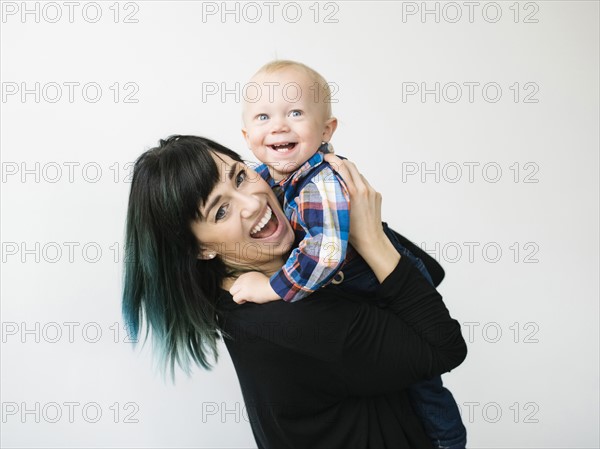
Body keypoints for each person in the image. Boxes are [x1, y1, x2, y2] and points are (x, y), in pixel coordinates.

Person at [122, 135, 467, 448]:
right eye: (221, 210)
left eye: (240, 177)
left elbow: (428, 271)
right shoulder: (296, 322)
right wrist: (370, 237)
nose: (252, 204)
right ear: (199, 250)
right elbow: (445, 346)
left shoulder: (243, 293)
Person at [233, 60, 466, 448]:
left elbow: (324, 255)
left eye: (295, 112)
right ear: (246, 134)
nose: (278, 126)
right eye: (263, 116)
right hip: (359, 282)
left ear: (326, 130)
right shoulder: (269, 173)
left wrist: (270, 288)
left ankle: (447, 440)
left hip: (378, 278)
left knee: (421, 379)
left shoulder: (318, 184)